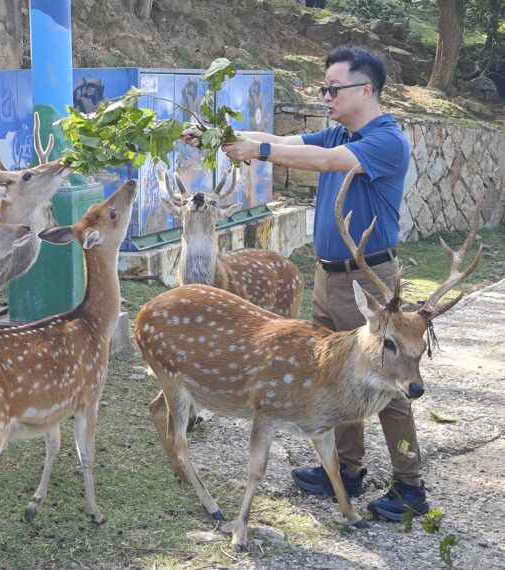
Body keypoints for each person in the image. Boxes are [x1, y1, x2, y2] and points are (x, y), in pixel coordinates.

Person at [181, 45, 429, 522]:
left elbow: (327, 160)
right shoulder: (342, 128)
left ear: (366, 90)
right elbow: (280, 136)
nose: (326, 96)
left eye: (333, 89)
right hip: (327, 276)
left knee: (389, 381)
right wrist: (220, 136)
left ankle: (409, 485)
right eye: (325, 88)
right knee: (335, 375)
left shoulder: (385, 140)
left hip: (369, 283)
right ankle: (349, 470)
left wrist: (261, 151)